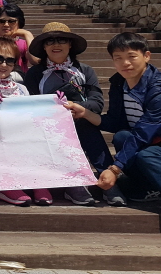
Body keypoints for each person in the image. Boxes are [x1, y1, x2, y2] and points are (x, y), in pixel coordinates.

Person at [27, 23, 123, 206]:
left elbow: (97, 102)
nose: (56, 44)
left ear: (70, 44)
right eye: (50, 41)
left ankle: (107, 179)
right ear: (44, 47)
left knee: (87, 125)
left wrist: (76, 107)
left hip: (80, 120)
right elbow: (31, 104)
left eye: (62, 40)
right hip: (49, 126)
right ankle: (73, 183)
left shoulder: (85, 70)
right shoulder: (34, 74)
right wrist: (57, 112)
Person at [65, 33, 161, 203]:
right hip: (148, 140)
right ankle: (148, 188)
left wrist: (115, 169)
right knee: (121, 137)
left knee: (146, 155)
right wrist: (85, 113)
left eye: (131, 56)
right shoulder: (119, 83)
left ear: (146, 56)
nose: (125, 63)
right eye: (118, 58)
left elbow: (142, 133)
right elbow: (115, 122)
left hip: (152, 141)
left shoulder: (157, 89)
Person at [0, 37, 53, 207]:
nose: (4, 65)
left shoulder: (22, 89)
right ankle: (7, 186)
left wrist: (55, 105)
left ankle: (38, 182)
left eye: (10, 60)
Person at [0, 3, 36, 72]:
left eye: (11, 21)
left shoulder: (23, 44)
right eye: (1, 21)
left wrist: (27, 34)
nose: (6, 24)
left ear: (19, 23)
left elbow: (35, 60)